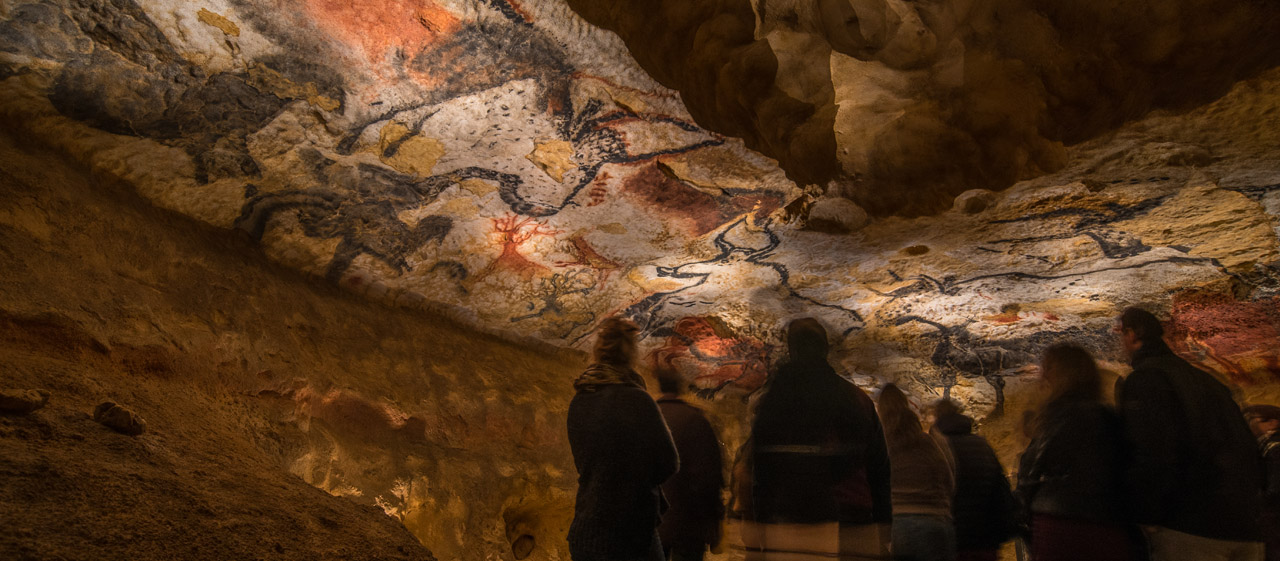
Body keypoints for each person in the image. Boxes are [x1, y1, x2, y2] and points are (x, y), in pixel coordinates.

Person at [1115, 307, 1264, 561]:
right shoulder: (1207, 381)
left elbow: (1154, 451)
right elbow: (1247, 446)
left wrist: (1145, 514)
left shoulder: (1147, 379)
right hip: (1245, 525)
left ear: (1131, 334)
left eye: (1119, 334)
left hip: (1192, 526)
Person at [739, 318, 892, 560]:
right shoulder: (857, 399)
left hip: (789, 521)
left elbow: (761, 469)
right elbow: (879, 469)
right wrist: (883, 526)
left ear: (791, 351)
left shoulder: (775, 400)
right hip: (852, 518)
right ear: (826, 350)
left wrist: (760, 527)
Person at [567, 317, 679, 561]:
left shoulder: (579, 401)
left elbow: (585, 464)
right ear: (631, 355)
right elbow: (669, 463)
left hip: (587, 529)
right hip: (631, 531)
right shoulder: (638, 400)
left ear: (597, 352)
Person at [1017, 343, 1135, 561]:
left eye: (1048, 367)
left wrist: (1024, 513)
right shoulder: (1107, 416)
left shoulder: (1056, 415)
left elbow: (1032, 471)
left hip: (1060, 522)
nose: (1043, 374)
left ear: (1060, 373)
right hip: (1108, 520)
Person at [930, 399, 1016, 561]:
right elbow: (1000, 489)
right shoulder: (983, 446)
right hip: (984, 539)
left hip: (952, 540)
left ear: (937, 418)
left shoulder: (935, 447)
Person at [878, 383, 956, 561]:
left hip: (901, 522)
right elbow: (949, 481)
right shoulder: (928, 441)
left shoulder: (883, 446)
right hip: (936, 521)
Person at [654, 368, 724, 561]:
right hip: (689, 523)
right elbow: (708, 478)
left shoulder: (647, 418)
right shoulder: (696, 420)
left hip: (652, 521)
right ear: (680, 388)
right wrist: (714, 519)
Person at [1243, 404, 1280, 561]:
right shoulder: (1266, 445)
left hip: (1273, 516)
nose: (1248, 424)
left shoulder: (1274, 447)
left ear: (1272, 423)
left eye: (1252, 419)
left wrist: (1258, 505)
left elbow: (1275, 486)